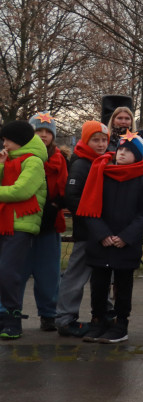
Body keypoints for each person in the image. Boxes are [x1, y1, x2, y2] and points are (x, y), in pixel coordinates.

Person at [76, 133, 143, 344]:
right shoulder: (101, 175)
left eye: (128, 150)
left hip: (125, 244)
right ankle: (98, 320)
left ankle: (120, 324)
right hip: (101, 242)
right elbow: (90, 208)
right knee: (99, 284)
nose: (121, 153)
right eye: (120, 149)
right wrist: (102, 234)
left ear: (138, 156)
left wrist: (125, 237)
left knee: (123, 285)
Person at [55, 121, 110, 337]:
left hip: (101, 230)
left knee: (101, 275)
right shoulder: (81, 164)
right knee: (76, 275)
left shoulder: (102, 161)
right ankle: (65, 318)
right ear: (85, 141)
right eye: (95, 140)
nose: (100, 144)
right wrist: (92, 220)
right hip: (88, 231)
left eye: (104, 140)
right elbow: (72, 197)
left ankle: (104, 312)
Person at [17, 112, 67, 332]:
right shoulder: (17, 156)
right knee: (15, 271)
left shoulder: (60, 159)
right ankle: (10, 312)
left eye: (48, 132)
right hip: (22, 221)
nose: (44, 135)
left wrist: (55, 206)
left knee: (49, 273)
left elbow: (66, 188)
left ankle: (48, 313)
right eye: (39, 131)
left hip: (49, 223)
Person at [0, 121, 47, 340]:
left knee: (9, 272)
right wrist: (1, 165)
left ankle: (12, 318)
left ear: (18, 140)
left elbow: (21, 191)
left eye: (7, 140)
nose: (5, 144)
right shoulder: (10, 160)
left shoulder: (34, 162)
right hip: (4, 221)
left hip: (20, 224)